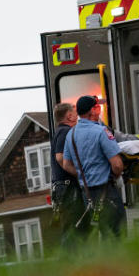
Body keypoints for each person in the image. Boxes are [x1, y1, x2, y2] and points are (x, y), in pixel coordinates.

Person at [62, 95, 125, 238]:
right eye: (97, 107)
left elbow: (66, 164)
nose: (99, 110)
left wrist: (84, 174)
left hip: (88, 195)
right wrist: (116, 176)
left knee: (105, 235)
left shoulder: (70, 135)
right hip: (107, 193)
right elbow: (117, 165)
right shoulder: (101, 132)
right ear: (92, 111)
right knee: (118, 235)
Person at [49, 102, 85, 248]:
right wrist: (80, 175)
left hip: (63, 188)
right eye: (75, 113)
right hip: (69, 189)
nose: (77, 116)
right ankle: (71, 260)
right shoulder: (65, 132)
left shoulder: (60, 131)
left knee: (72, 226)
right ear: (69, 116)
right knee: (72, 226)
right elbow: (60, 157)